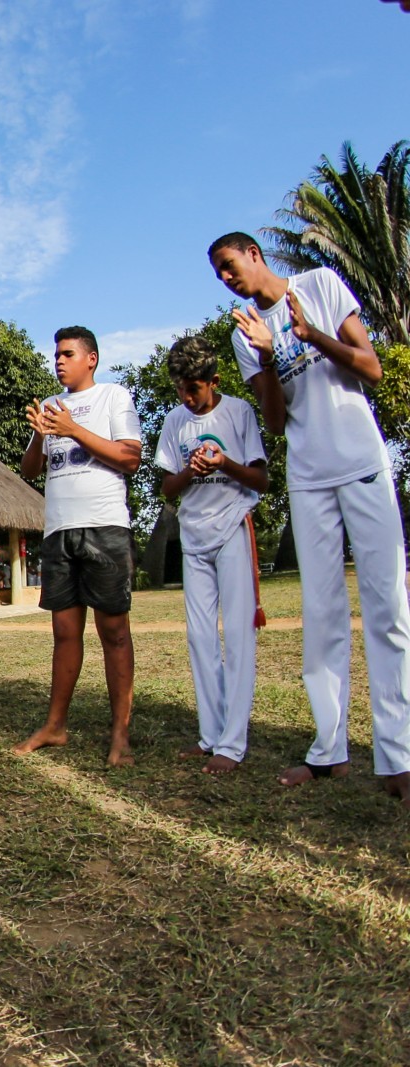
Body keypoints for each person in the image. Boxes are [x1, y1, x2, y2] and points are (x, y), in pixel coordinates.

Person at [209, 232, 410, 799]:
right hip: (309, 475)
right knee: (322, 614)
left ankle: (397, 757)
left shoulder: (319, 285)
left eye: (229, 266)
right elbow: (274, 421)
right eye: (218, 275)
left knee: (387, 607)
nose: (227, 279)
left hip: (361, 461)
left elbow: (369, 366)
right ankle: (330, 752)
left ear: (254, 255)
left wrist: (309, 334)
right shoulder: (244, 334)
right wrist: (270, 357)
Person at [13, 327, 142, 767]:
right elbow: (31, 471)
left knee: (114, 632)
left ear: (92, 358)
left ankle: (120, 733)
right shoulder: (50, 406)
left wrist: (72, 427)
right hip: (59, 531)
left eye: (67, 354)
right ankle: (55, 726)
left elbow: (129, 458)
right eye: (56, 355)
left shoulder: (113, 397)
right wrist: (41, 434)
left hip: (104, 526)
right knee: (65, 633)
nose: (59, 361)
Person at [156, 335, 268, 776]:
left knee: (238, 637)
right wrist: (190, 471)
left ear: (214, 381)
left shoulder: (238, 412)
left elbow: (260, 480)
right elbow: (166, 487)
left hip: (233, 528)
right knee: (201, 638)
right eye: (181, 389)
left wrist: (224, 464)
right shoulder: (174, 421)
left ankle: (233, 743)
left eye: (194, 389)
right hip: (194, 535)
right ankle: (210, 735)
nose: (187, 397)